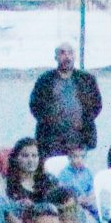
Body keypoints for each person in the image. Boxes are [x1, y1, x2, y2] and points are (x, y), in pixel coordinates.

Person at [30, 43, 104, 171]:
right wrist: (50, 121)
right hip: (51, 140)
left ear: (74, 56)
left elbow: (97, 104)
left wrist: (84, 121)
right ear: (56, 57)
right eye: (62, 53)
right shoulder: (45, 80)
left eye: (70, 53)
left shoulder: (87, 79)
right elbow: (35, 105)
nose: (67, 57)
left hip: (79, 139)